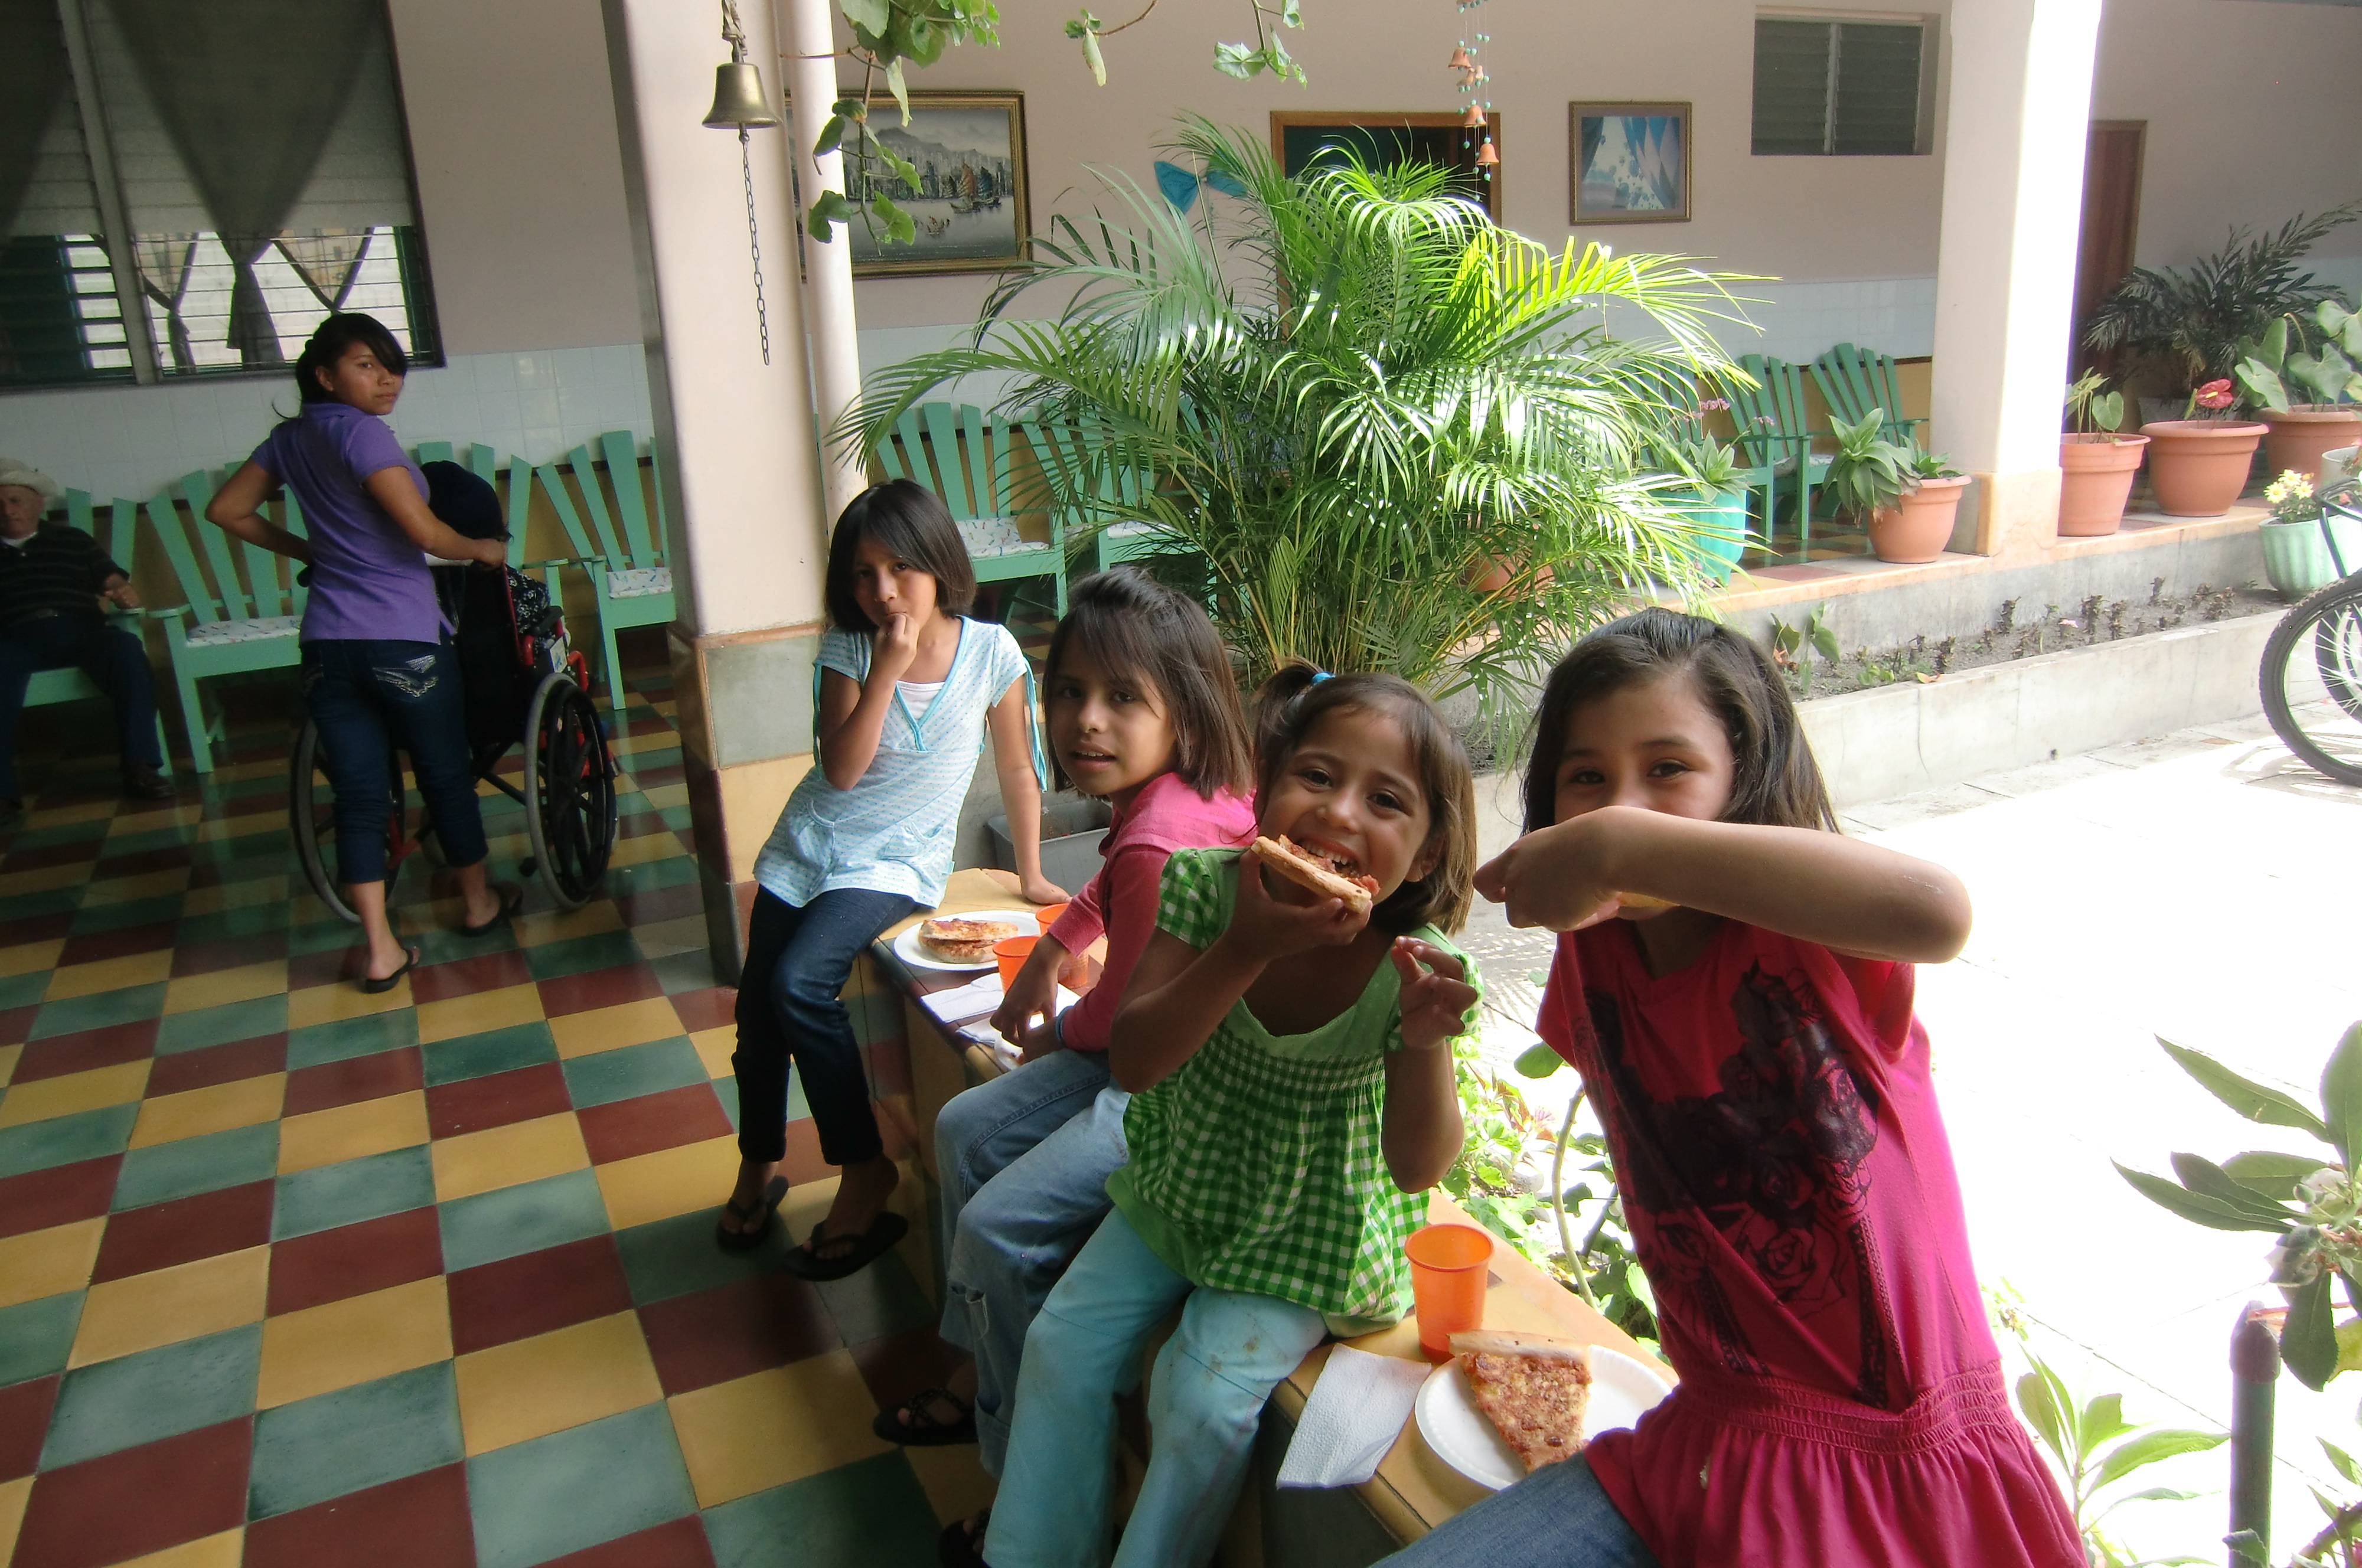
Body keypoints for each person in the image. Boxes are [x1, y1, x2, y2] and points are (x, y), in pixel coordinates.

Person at [1385, 607, 2080, 1568]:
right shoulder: (1597, 960)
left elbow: (1937, 912)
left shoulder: (1804, 932)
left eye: (1668, 768)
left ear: (1744, 780)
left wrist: (1619, 844)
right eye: (1588, 779)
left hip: (1893, 1469)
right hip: (1706, 1439)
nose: (1622, 805)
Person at [978, 667, 1483, 1568]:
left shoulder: (1414, 967)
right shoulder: (1205, 890)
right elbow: (1136, 1062)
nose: (1338, 814)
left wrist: (1424, 1041)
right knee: (1060, 1340)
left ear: (1427, 854)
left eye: (1385, 801)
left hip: (1310, 1237)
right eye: (1316, 776)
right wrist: (1246, 947)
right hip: (1182, 1188)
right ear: (1265, 787)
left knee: (1201, 1393)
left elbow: (1418, 1169)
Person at [877, 569, 1257, 1551]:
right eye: (1072, 691)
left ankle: (1019, 1472)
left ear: (1186, 710)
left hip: (1172, 1086)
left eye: (1124, 697)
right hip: (1144, 1054)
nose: (1087, 719)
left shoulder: (1163, 836)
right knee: (963, 1128)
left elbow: (1121, 1024)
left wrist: (1050, 1032)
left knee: (1000, 1229)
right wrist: (1053, 947)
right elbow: (1111, 893)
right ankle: (980, 1361)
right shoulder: (1171, 795)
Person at [717, 478, 1066, 1282]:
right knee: (756, 1018)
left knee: (800, 983)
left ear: (938, 562)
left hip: (897, 860)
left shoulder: (992, 653)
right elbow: (839, 772)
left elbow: (1018, 768)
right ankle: (756, 1164)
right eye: (863, 574)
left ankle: (864, 1167)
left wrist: (1032, 872)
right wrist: (886, 671)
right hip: (808, 845)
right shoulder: (849, 649)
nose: (882, 591)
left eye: (900, 568)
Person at [203, 314, 516, 992]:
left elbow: (226, 510)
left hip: (327, 644)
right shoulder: (362, 433)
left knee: (359, 795)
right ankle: (477, 903)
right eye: (366, 366)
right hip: (401, 637)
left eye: (391, 366)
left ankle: (380, 950)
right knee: (444, 775)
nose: (386, 380)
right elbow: (426, 534)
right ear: (324, 375)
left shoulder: (289, 439)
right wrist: (483, 549)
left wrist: (311, 551)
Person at [0, 458, 172, 814]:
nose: (7, 510)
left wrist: (122, 590)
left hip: (80, 629)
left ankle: (140, 767)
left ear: (38, 503)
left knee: (126, 649)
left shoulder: (71, 540)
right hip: (13, 638)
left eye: (16, 500)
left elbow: (110, 578)